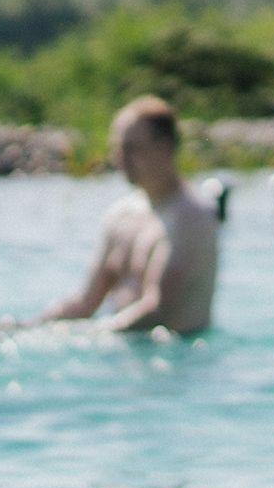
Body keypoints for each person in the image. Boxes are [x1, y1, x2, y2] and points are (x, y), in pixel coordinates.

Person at [38, 97, 221, 336]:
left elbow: (158, 309)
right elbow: (86, 302)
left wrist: (93, 335)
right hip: (121, 344)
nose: (120, 158)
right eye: (118, 147)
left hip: (176, 353)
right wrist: (29, 328)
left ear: (164, 147)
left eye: (131, 148)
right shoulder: (121, 216)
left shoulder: (192, 218)